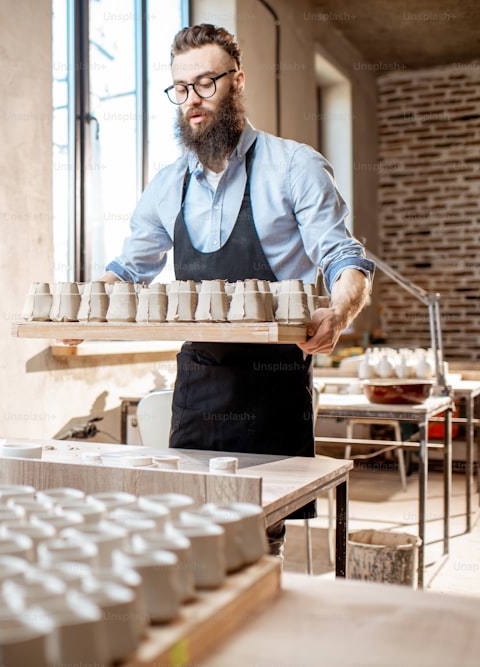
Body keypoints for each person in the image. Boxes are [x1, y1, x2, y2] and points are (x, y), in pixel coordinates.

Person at [99, 24, 374, 555]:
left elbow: (343, 256)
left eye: (205, 84)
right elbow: (129, 270)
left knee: (257, 544)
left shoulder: (294, 167)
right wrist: (78, 310)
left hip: (273, 388)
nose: (192, 101)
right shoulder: (166, 186)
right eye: (180, 89)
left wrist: (338, 313)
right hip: (198, 389)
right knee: (191, 541)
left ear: (237, 81)